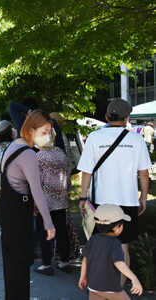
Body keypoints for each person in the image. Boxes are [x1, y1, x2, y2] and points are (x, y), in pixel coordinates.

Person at [78, 99, 151, 286]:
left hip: (100, 201)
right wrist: (143, 197)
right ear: (127, 118)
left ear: (106, 117)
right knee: (123, 246)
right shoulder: (137, 139)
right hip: (127, 201)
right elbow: (144, 173)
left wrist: (83, 198)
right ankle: (118, 289)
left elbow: (86, 171)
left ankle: (98, 285)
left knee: (98, 244)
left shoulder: (94, 137)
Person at [0, 109, 55, 300]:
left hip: (7, 208)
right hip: (17, 214)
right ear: (31, 130)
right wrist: (49, 223)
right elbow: (37, 190)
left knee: (12, 262)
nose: (48, 136)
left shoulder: (14, 145)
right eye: (44, 132)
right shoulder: (28, 154)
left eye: (49, 132)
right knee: (20, 264)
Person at [79, 204, 143, 299]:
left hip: (93, 286)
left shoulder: (93, 239)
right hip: (110, 287)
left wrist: (83, 276)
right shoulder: (115, 242)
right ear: (116, 226)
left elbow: (85, 259)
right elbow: (119, 263)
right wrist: (134, 278)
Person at [33, 128, 72, 276]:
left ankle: (46, 264)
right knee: (62, 230)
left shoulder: (39, 156)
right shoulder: (61, 153)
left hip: (44, 200)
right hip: (60, 198)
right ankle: (65, 261)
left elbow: (37, 181)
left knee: (43, 231)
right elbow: (67, 177)